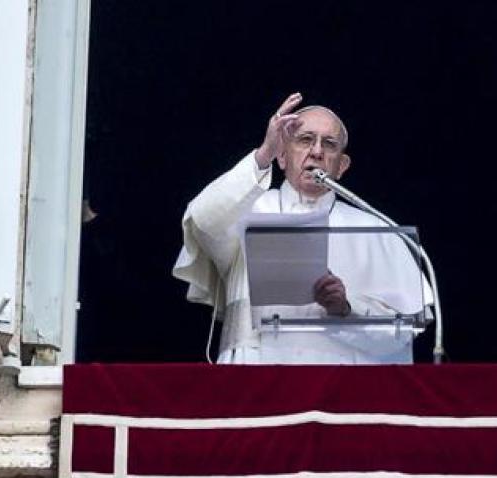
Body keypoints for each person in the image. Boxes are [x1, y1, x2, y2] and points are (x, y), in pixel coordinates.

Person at [173, 93, 427, 364]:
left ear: (341, 166)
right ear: (282, 156)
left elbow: (403, 331)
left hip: (338, 389)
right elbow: (201, 220)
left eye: (329, 144)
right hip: (251, 378)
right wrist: (263, 155)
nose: (317, 151)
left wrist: (346, 307)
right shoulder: (245, 210)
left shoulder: (373, 226)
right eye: (305, 139)